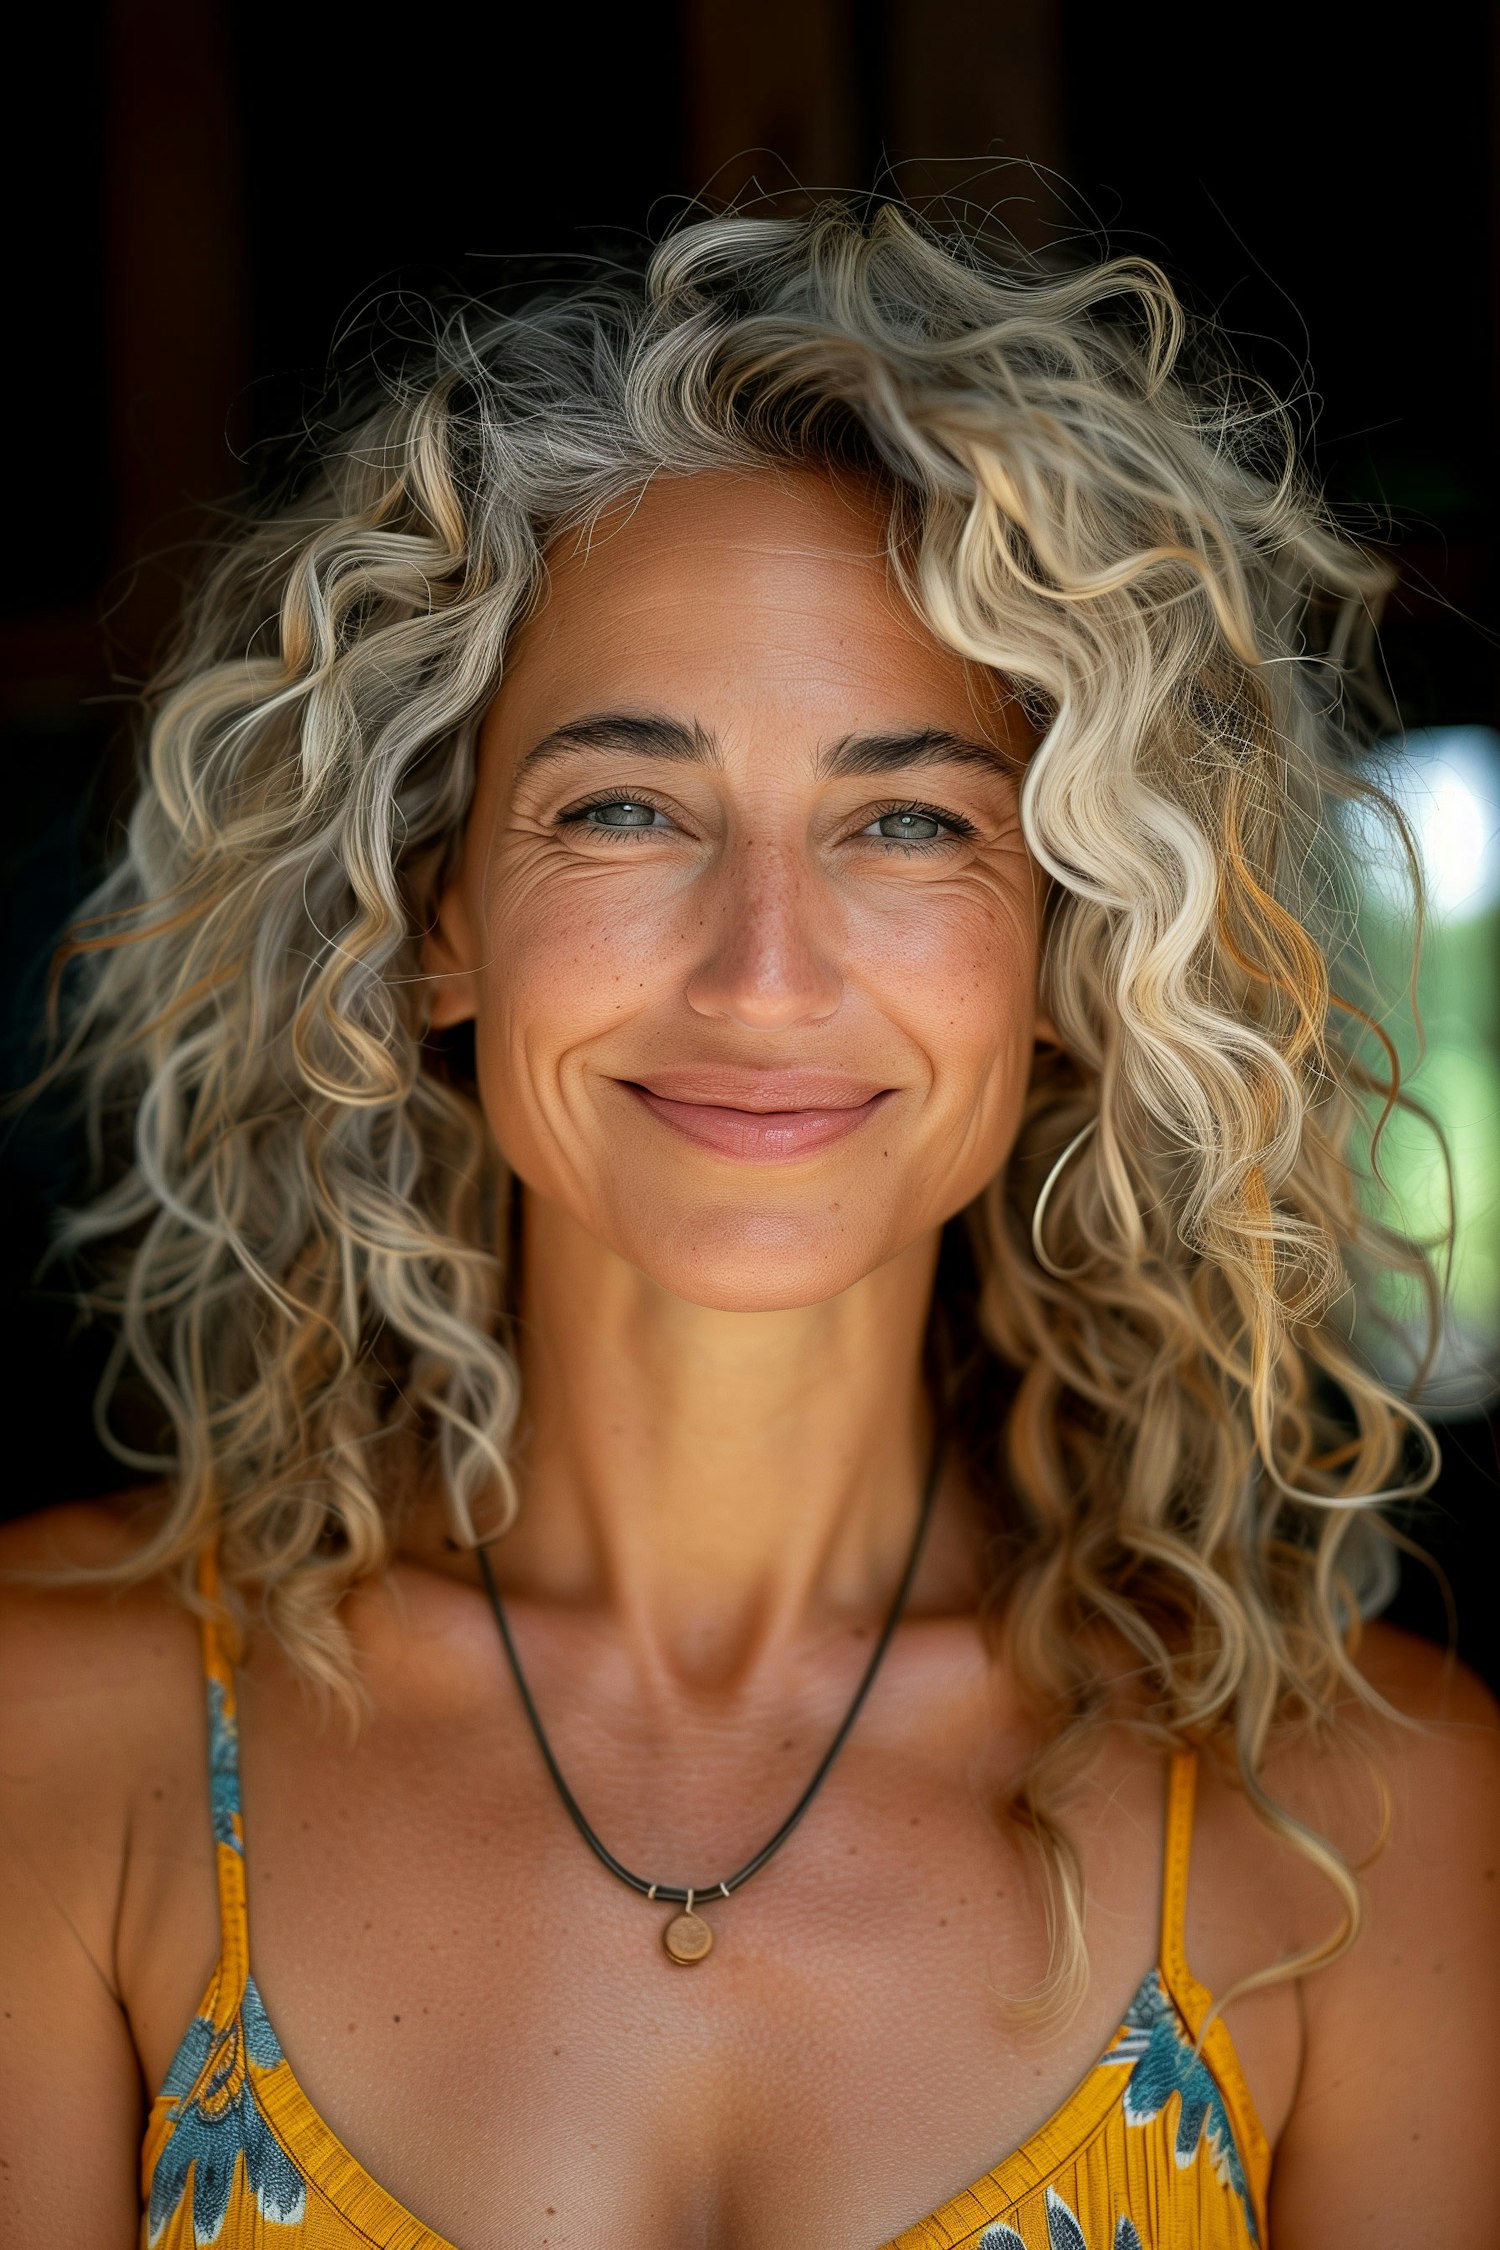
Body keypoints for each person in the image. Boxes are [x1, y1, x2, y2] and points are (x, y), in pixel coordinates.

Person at [1, 201, 1495, 2250]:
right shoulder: (57, 1739)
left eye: (909, 823)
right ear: (436, 917)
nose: (765, 972)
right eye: (625, 806)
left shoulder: (1365, 1823)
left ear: (1071, 952)